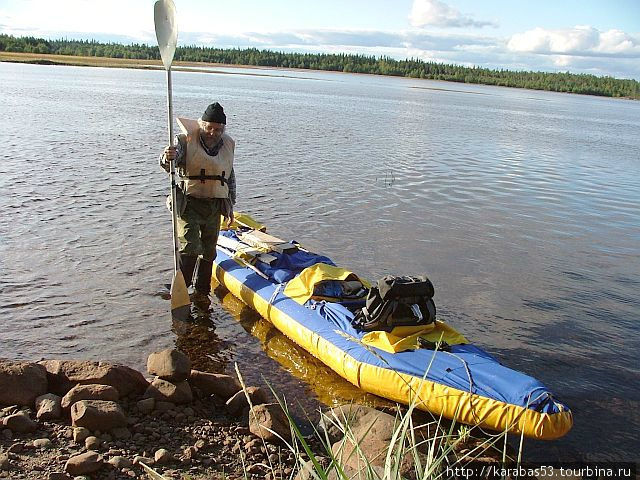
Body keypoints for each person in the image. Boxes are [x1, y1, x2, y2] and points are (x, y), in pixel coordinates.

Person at [160, 102, 236, 302]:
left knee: (209, 249)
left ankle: (202, 290)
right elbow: (169, 164)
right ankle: (182, 286)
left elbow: (229, 177)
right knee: (191, 245)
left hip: (214, 205)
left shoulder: (227, 145)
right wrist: (168, 157)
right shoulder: (185, 141)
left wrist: (230, 205)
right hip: (189, 203)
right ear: (202, 125)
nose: (213, 133)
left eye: (218, 129)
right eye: (209, 127)